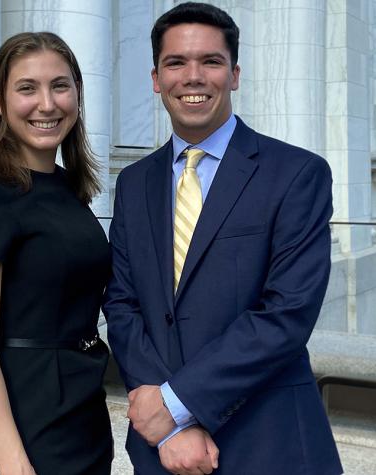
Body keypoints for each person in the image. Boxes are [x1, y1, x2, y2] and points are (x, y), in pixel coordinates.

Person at [103, 3, 343, 474]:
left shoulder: (296, 175)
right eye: (176, 63)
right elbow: (122, 303)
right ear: (156, 79)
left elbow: (285, 315)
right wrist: (168, 426)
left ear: (233, 74)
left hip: (267, 441)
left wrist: (174, 406)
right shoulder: (134, 183)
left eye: (210, 62)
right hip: (160, 452)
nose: (193, 77)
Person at [0, 32, 112, 474]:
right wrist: (13, 464)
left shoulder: (69, 190)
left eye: (60, 85)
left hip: (83, 416)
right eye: (27, 88)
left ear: (77, 94)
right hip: (21, 426)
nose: (47, 103)